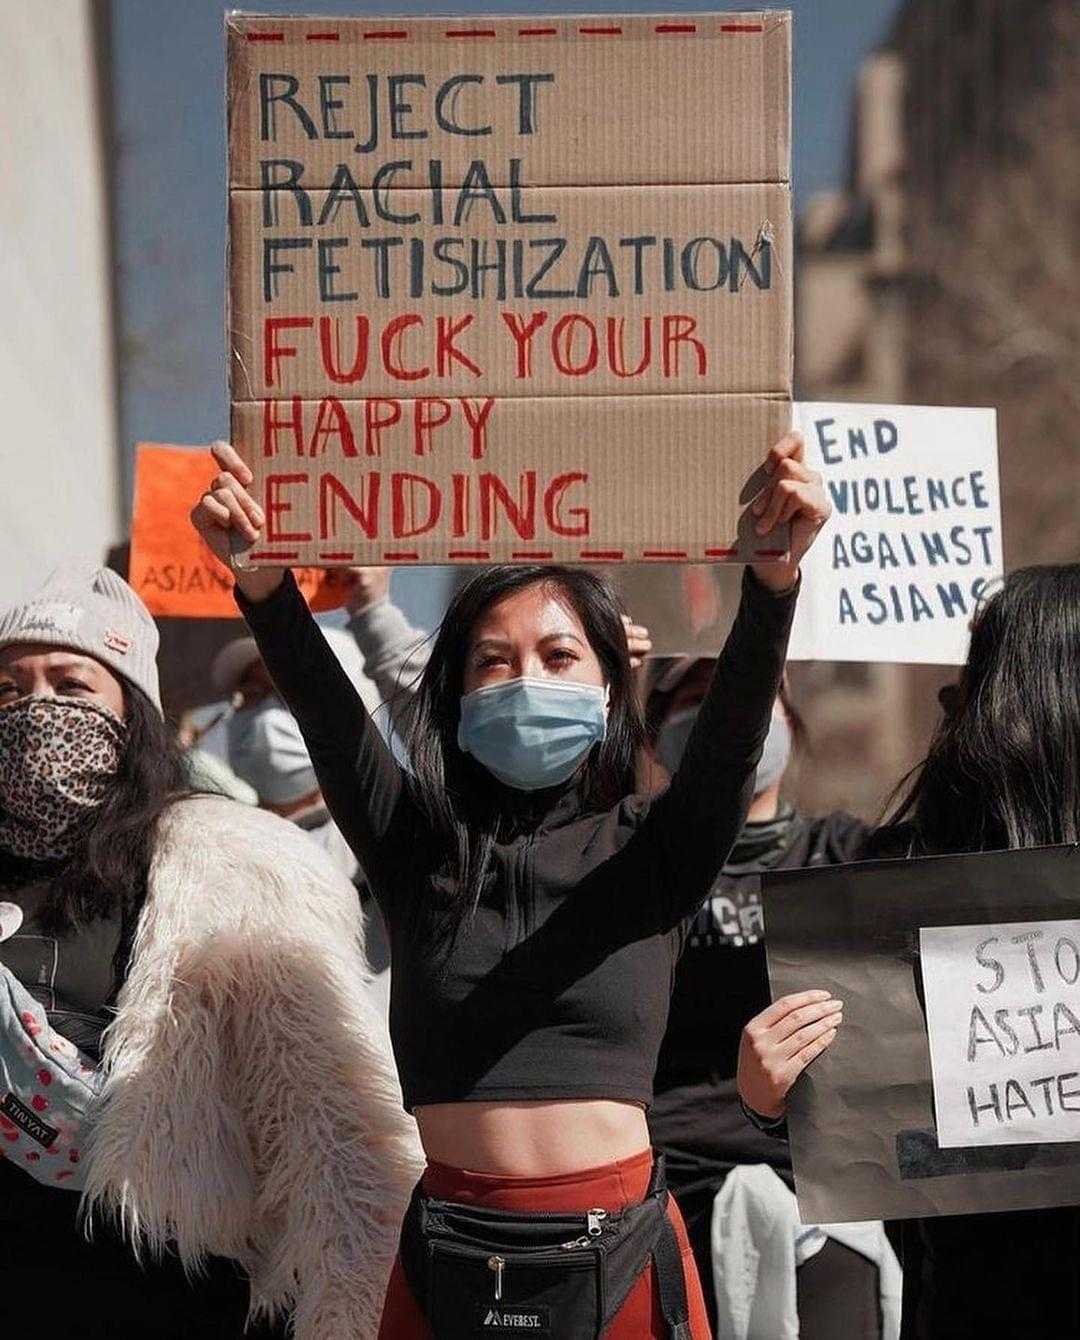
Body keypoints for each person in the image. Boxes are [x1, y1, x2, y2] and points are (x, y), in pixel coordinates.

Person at [190, 432, 831, 1338]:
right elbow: (334, 725)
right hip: (451, 1267)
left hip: (622, 1265)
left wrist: (773, 586)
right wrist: (263, 588)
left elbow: (727, 749)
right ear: (456, 696)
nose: (525, 679)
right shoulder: (416, 851)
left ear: (613, 687)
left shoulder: (656, 851)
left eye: (560, 657)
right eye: (494, 661)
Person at [0, 565, 420, 1339]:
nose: (37, 710)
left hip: (173, 1302)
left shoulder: (237, 867)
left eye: (72, 684)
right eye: (10, 690)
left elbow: (332, 1139)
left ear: (135, 712)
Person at [736, 564, 1080, 1340]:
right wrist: (774, 1100)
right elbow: (867, 1119)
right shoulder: (906, 877)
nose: (951, 699)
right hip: (973, 1292)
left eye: (977, 671)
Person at [645, 664, 897, 1338]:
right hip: (669, 1192)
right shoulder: (635, 867)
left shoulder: (846, 854)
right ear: (650, 740)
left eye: (750, 686)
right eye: (694, 700)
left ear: (792, 720)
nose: (725, 711)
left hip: (823, 1187)